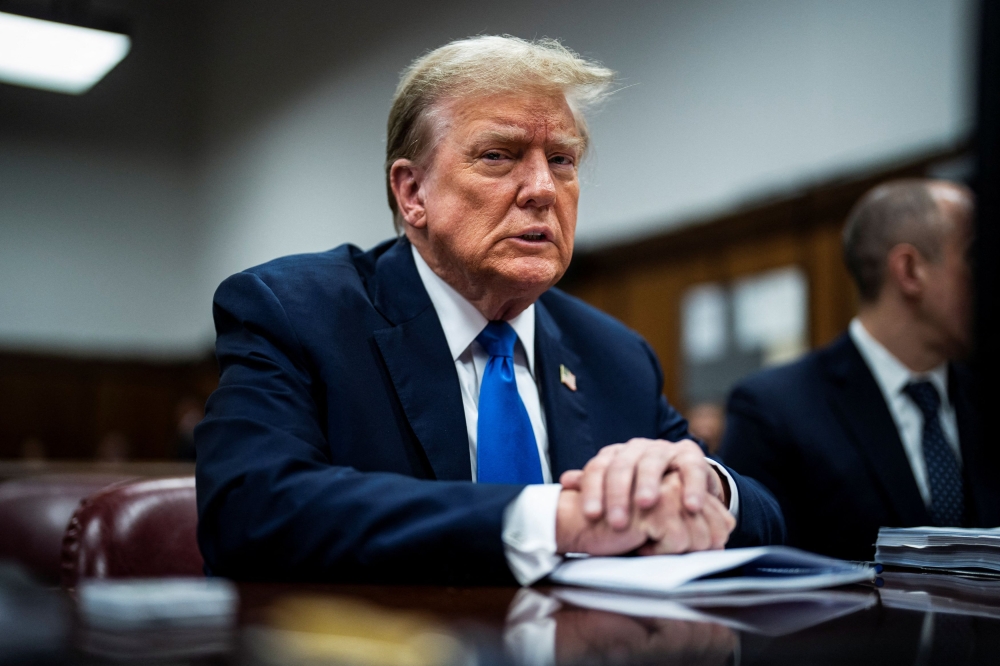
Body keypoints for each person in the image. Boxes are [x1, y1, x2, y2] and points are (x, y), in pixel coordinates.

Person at [195, 36, 784, 585]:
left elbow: (766, 514)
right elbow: (250, 509)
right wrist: (548, 518)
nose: (542, 189)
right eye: (499, 156)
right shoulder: (297, 314)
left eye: (562, 160)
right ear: (412, 193)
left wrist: (702, 485)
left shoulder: (615, 355)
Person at [719, 179, 1000, 561]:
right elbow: (756, 576)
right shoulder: (774, 409)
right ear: (911, 270)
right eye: (974, 258)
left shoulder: (985, 398)